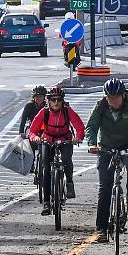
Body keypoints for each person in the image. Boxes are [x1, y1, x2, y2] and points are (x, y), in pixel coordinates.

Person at [86, 78, 128, 243]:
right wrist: (92, 144)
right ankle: (101, 229)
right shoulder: (100, 106)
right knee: (105, 188)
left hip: (127, 145)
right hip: (106, 147)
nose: (113, 100)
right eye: (110, 97)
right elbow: (91, 126)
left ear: (123, 95)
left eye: (116, 97)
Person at [28, 86, 85, 215]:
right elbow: (33, 130)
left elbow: (79, 126)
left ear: (62, 101)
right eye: (53, 100)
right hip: (48, 140)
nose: (56, 102)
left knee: (66, 159)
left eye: (59, 99)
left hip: (65, 139)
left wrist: (78, 138)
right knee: (46, 169)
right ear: (49, 101)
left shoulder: (67, 111)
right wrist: (36, 138)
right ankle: (47, 203)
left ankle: (69, 181)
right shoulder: (44, 112)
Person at [19, 85, 47, 173]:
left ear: (44, 97)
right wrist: (21, 132)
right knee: (30, 144)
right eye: (37, 97)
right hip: (32, 129)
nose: (39, 99)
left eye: (41, 97)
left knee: (46, 146)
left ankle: (45, 162)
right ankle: (31, 163)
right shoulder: (29, 106)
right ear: (33, 97)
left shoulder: (47, 106)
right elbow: (23, 120)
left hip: (45, 129)